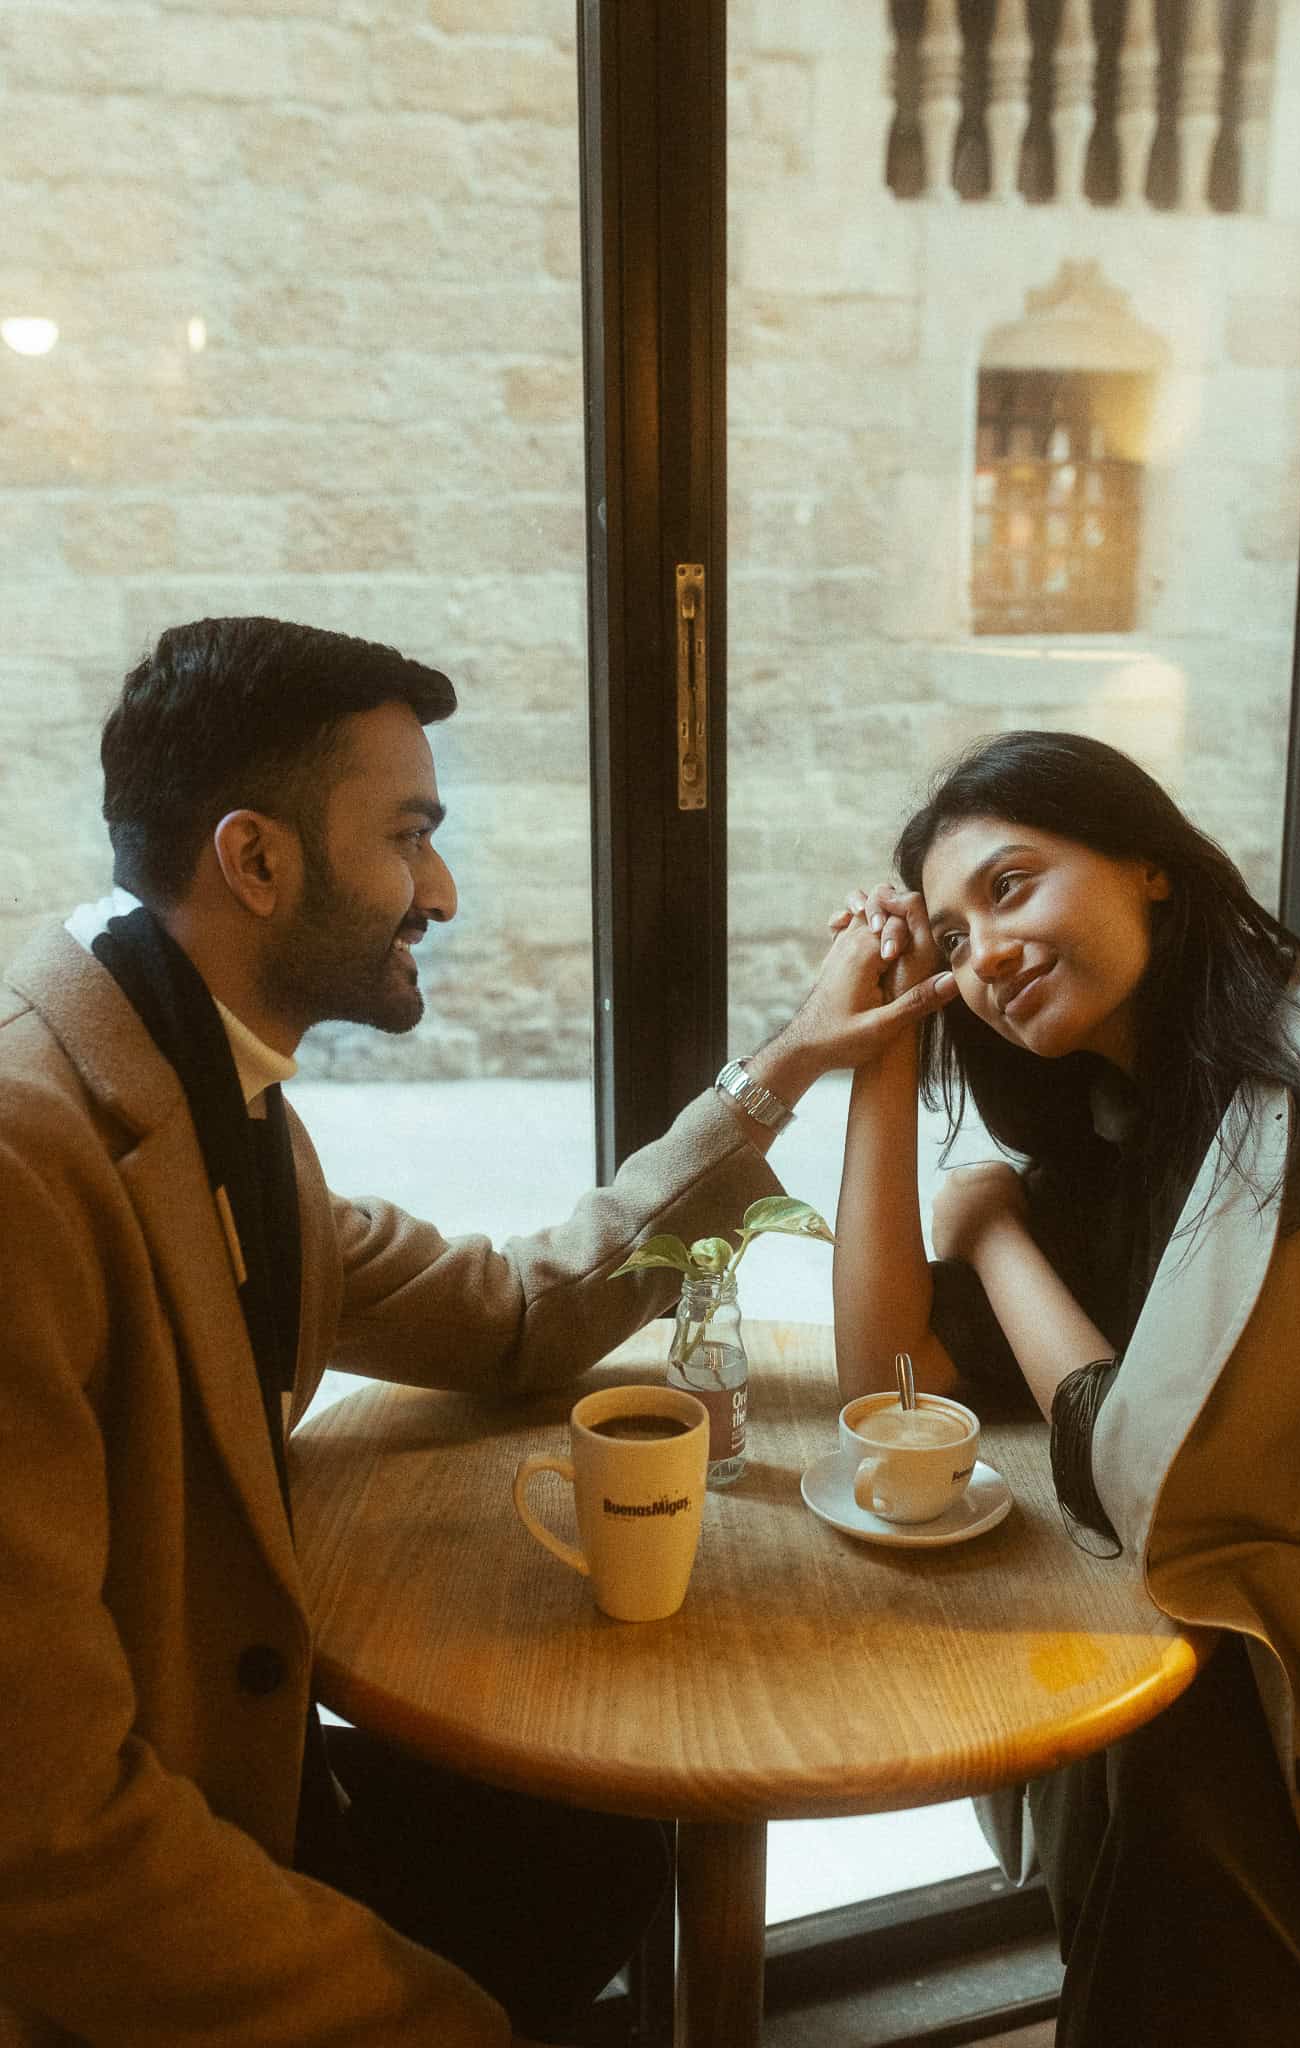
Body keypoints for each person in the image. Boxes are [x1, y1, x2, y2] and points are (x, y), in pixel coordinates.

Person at [0, 616, 943, 2048]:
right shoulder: (29, 1164)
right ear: (254, 861)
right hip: (107, 1904)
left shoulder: (197, 1082)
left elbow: (514, 1315)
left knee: (599, 1837)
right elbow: (44, 1836)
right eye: (408, 835)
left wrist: (785, 1069)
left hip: (231, 1778)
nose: (438, 890)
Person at [826, 730, 1300, 2048]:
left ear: (1149, 867)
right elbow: (886, 1377)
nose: (983, 951)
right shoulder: (1120, 1114)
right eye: (951, 937)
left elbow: (1135, 1479)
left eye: (1010, 887)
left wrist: (993, 1235)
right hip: (1224, 1648)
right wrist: (883, 1052)